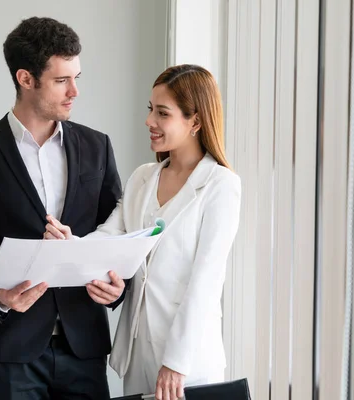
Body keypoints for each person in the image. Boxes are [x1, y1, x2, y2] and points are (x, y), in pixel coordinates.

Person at [45, 64, 242, 400]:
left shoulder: (221, 185)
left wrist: (177, 362)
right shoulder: (143, 178)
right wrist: (71, 245)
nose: (150, 121)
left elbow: (205, 282)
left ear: (195, 121)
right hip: (138, 357)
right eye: (151, 109)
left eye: (162, 113)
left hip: (188, 362)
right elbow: (109, 236)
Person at [0, 17, 123, 399]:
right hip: (11, 349)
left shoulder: (98, 147)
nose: (75, 91)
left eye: (76, 77)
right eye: (62, 80)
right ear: (26, 79)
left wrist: (118, 287)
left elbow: (115, 230)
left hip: (85, 345)